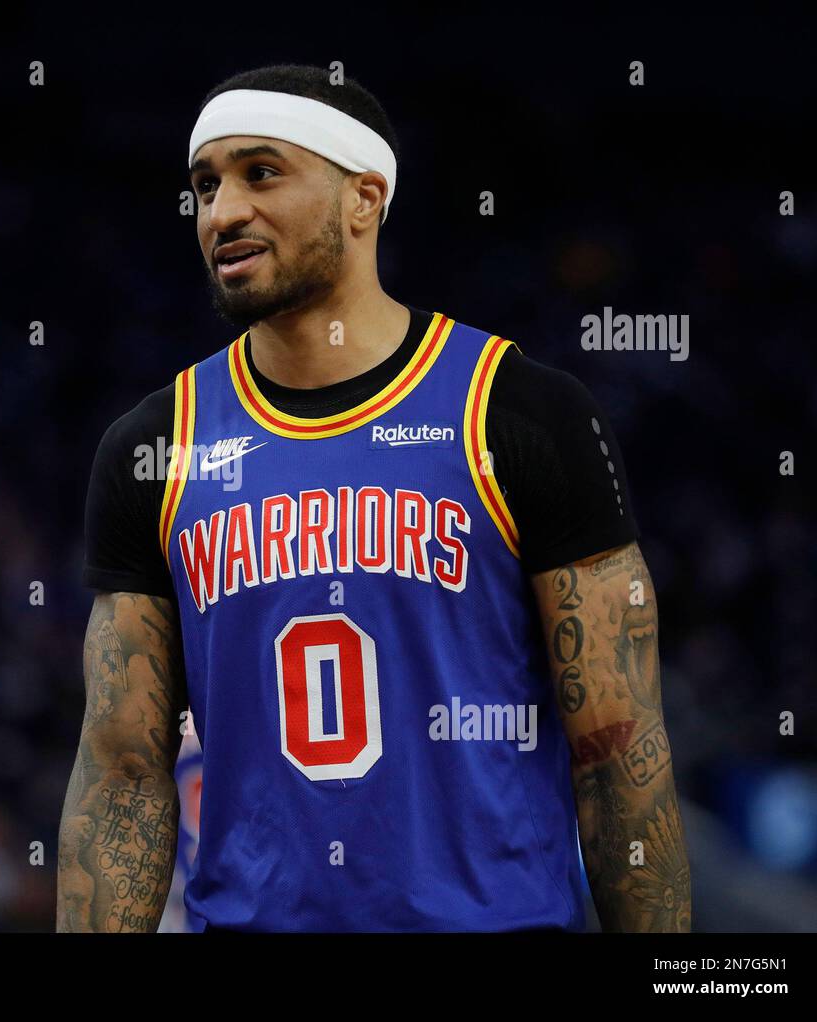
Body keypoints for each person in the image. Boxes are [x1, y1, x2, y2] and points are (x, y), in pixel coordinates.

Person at [58, 64, 690, 932]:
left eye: (261, 173)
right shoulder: (152, 445)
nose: (221, 211)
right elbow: (124, 774)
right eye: (205, 185)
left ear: (363, 197)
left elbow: (619, 754)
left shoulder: (518, 412)